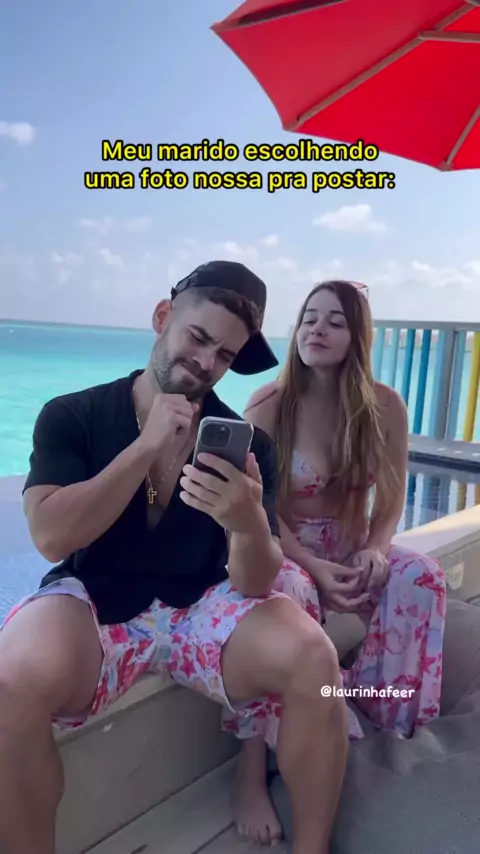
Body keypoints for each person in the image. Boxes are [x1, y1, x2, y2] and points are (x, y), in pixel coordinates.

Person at [0, 261, 349, 854]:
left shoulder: (246, 445)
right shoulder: (73, 415)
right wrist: (145, 448)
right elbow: (52, 538)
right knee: (11, 681)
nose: (207, 362)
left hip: (198, 610)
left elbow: (254, 582)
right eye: (198, 337)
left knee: (315, 661)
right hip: (96, 605)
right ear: (163, 317)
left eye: (225, 355)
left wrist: (246, 520)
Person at [231, 279, 447, 844]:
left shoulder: (384, 406)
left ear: (358, 336)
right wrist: (311, 565)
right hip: (285, 548)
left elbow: (392, 497)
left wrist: (375, 549)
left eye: (334, 321)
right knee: (283, 597)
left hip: (352, 551)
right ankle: (250, 772)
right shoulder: (269, 405)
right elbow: (257, 510)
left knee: (421, 578)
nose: (317, 330)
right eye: (309, 318)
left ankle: (382, 720)